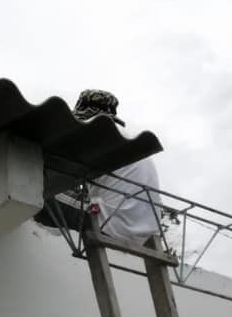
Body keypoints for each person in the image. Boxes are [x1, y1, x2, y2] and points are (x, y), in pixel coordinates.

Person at [37, 89, 163, 245]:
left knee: (35, 196)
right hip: (143, 235)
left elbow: (66, 171)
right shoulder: (131, 141)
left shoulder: (100, 133)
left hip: (111, 226)